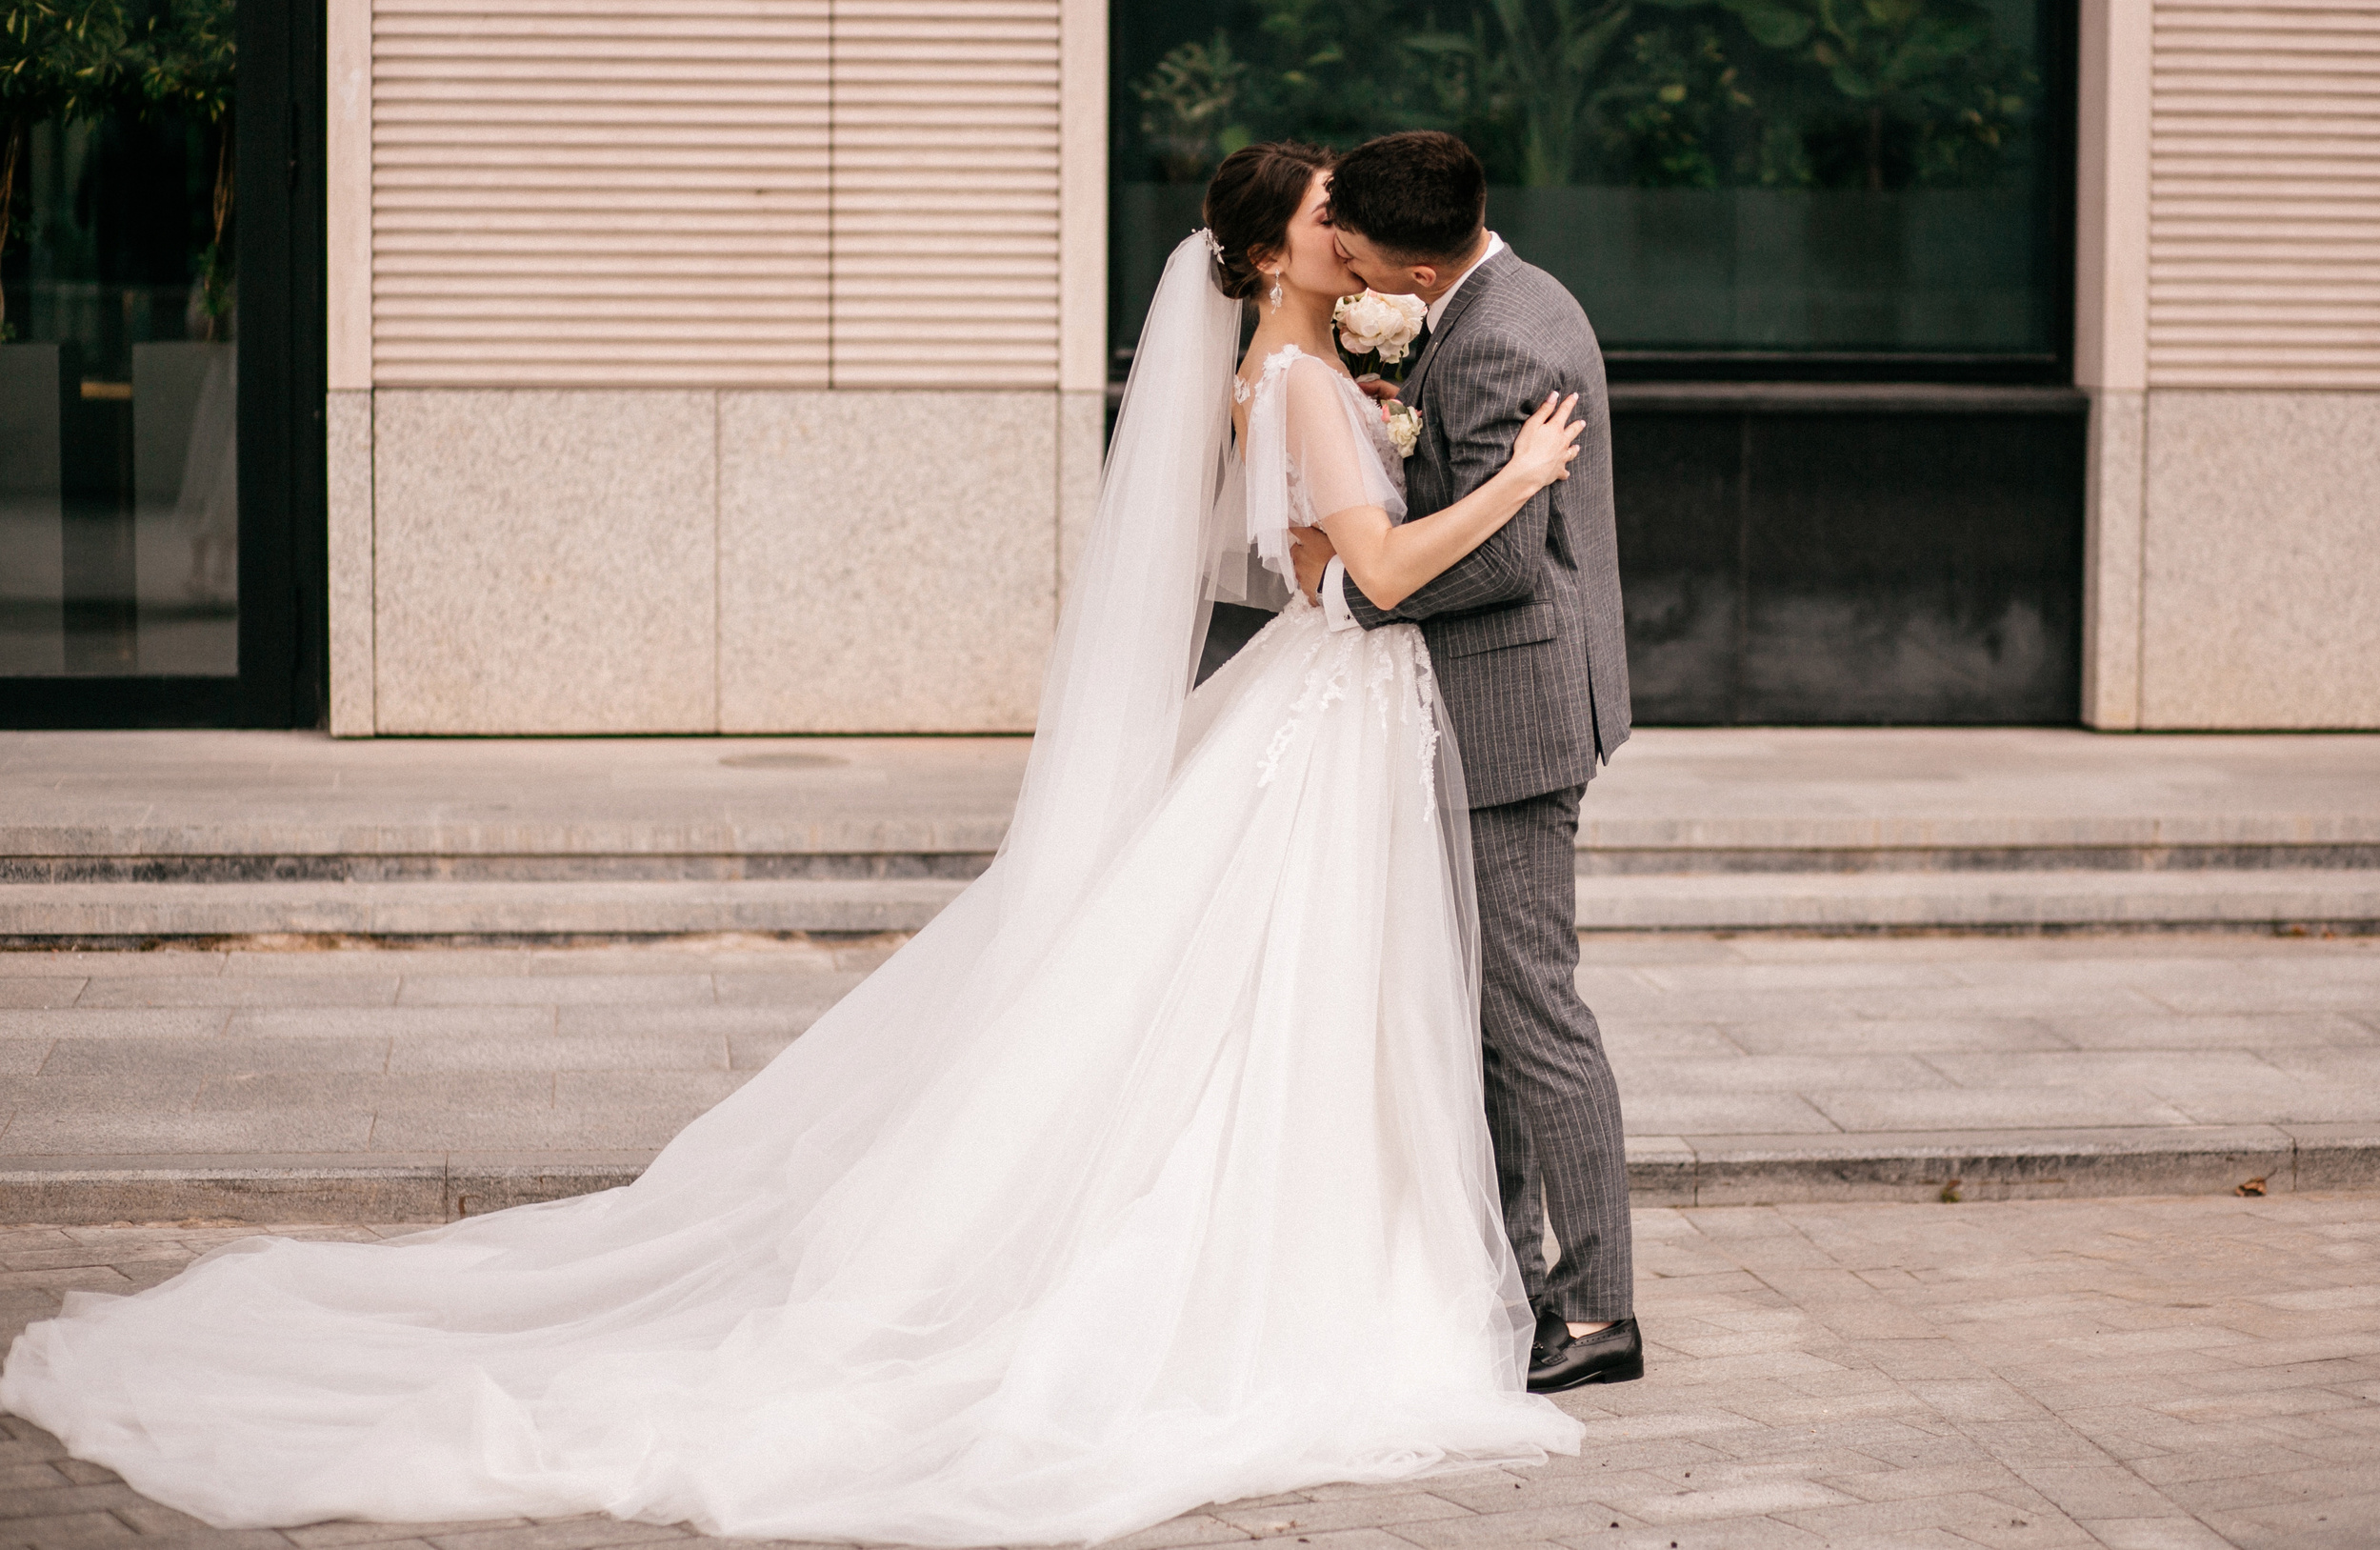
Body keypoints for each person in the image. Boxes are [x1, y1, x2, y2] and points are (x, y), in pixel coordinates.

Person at [0, 141, 1591, 1547]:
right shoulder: (1301, 380)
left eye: (1349, 217)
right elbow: (1369, 572)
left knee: (1294, 993)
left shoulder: (1292, 370)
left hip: (1327, 704)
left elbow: (1309, 557)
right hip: (1335, 699)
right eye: (1324, 217)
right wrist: (1515, 477)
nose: (1347, 233)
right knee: (1294, 993)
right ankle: (1324, 1271)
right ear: (1264, 255)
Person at [1309, 131, 1642, 1394]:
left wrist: (1359, 592)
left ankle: (1600, 1311)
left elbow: (1504, 557)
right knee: (1495, 1014)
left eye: (1353, 247)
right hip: (1518, 697)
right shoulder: (1508, 294)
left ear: (1412, 264)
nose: (1343, 261)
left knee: (1534, 1012)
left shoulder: (1500, 337)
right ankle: (1516, 1283)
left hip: (1515, 713)